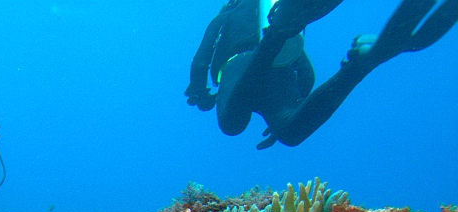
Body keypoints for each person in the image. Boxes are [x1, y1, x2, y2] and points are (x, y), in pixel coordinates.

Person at [185, 0, 458, 149]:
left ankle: (275, 37)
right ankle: (358, 67)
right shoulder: (279, 16)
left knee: (232, 124)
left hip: (240, 65)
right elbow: (306, 74)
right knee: (290, 131)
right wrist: (299, 106)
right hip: (282, 69)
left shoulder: (227, 14)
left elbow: (201, 59)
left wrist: (199, 91)